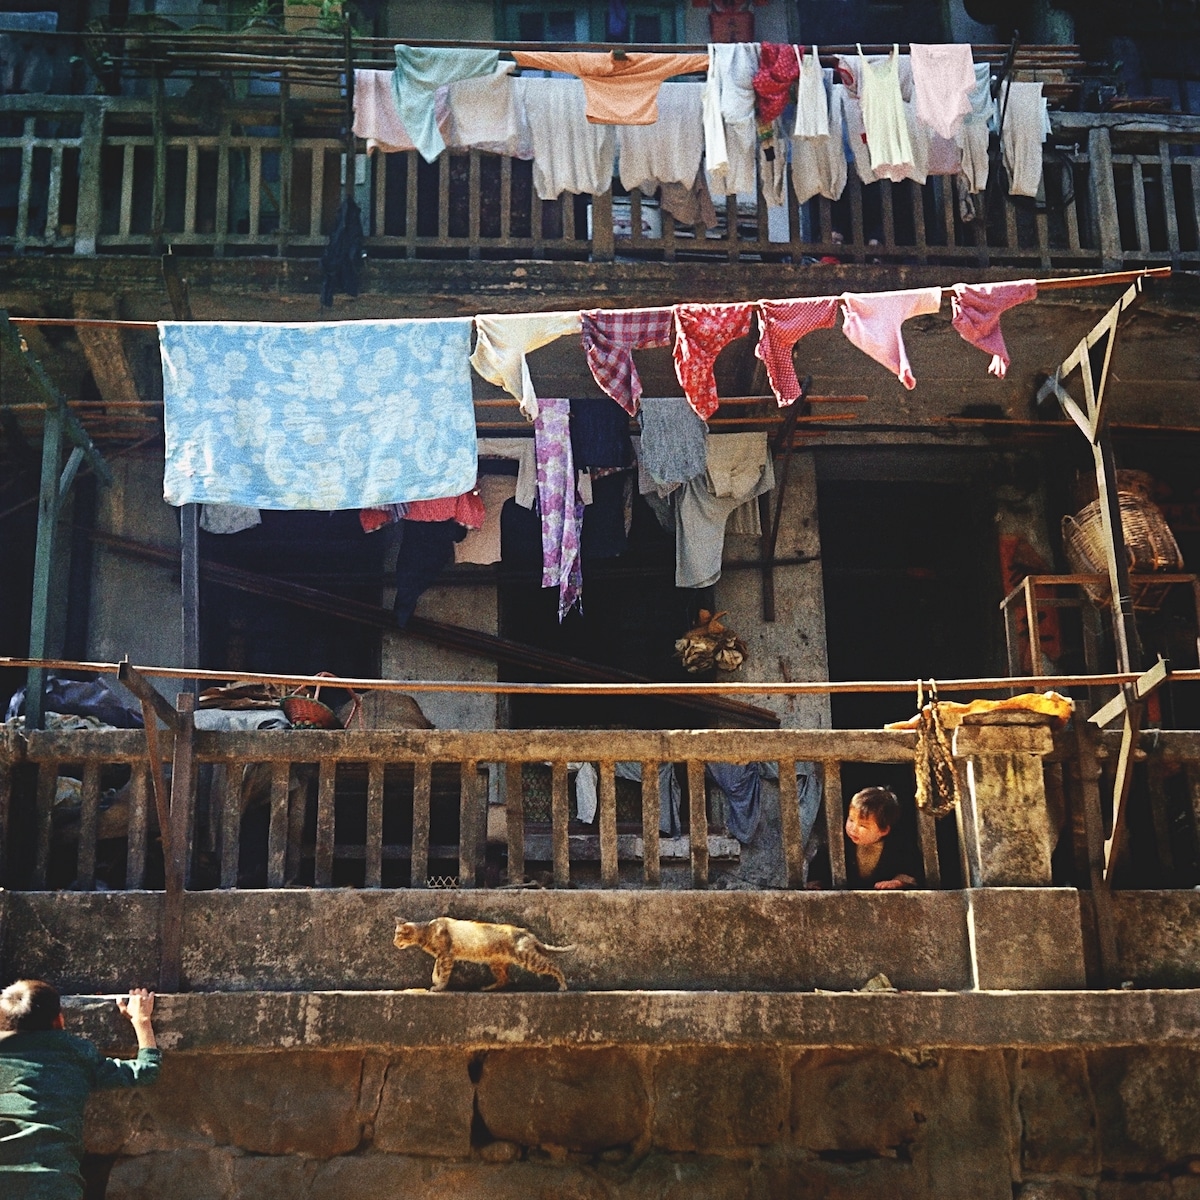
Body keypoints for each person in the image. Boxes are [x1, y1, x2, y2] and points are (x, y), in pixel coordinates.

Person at [0, 980, 161, 1200]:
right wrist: (142, 1020)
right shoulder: (75, 1053)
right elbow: (145, 1071)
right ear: (59, 1020)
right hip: (54, 1185)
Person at [843, 786, 918, 890]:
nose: (853, 829)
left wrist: (898, 882)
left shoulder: (897, 848)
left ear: (884, 830)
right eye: (851, 820)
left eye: (863, 825)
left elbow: (910, 869)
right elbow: (822, 864)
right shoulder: (842, 843)